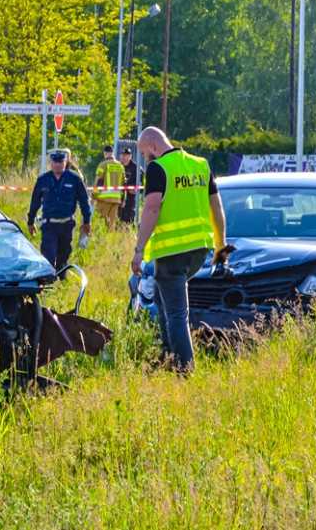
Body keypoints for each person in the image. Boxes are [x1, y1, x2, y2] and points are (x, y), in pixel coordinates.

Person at [130, 127, 230, 373]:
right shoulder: (201, 165)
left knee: (176, 314)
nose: (145, 160)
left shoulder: (159, 168)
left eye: (144, 154)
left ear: (153, 147)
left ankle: (184, 371)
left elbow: (152, 209)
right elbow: (217, 208)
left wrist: (139, 250)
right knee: (164, 303)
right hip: (199, 251)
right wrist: (220, 248)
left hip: (172, 252)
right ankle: (167, 356)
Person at [27, 150, 92, 273]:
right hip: (49, 224)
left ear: (65, 162)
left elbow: (84, 201)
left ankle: (61, 280)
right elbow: (35, 202)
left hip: (66, 225)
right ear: (51, 163)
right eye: (55, 162)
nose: (57, 165)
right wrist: (31, 221)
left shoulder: (74, 179)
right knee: (48, 256)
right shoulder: (43, 180)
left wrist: (87, 221)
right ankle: (48, 283)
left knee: (63, 257)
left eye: (60, 162)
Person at [92, 145, 126, 229]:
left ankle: (101, 241)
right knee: (111, 225)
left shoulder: (103, 165)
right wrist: (123, 199)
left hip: (104, 198)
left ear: (105, 153)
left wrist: (93, 196)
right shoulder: (120, 166)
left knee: (99, 223)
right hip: (116, 199)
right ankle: (110, 240)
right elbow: (124, 184)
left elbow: (98, 181)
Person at [119, 147, 139, 224]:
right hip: (120, 195)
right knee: (119, 215)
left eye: (126, 155)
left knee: (129, 216)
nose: (124, 157)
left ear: (130, 156)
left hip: (131, 196)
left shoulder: (135, 168)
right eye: (123, 155)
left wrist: (136, 189)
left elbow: (141, 180)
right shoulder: (119, 166)